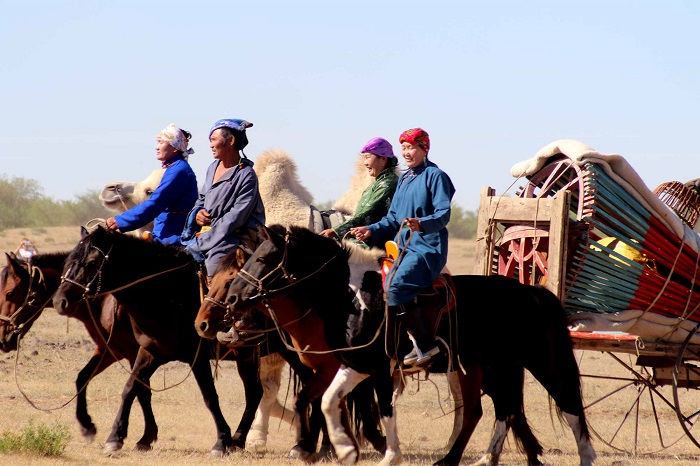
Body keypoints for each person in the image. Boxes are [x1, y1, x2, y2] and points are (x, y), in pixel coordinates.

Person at [350, 128, 455, 367]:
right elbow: (393, 218)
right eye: (404, 148)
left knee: (395, 286)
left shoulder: (436, 176)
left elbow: (443, 214)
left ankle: (425, 344)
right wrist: (371, 230)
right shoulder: (405, 179)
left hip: (427, 248)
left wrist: (422, 223)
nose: (407, 153)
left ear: (424, 149)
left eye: (412, 148)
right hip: (401, 247)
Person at [181, 118, 265, 278]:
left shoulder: (246, 174)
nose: (210, 145)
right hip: (208, 233)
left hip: (233, 236)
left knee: (215, 265)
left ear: (231, 141)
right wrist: (198, 213)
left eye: (213, 140)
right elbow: (202, 198)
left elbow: (235, 217)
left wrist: (206, 241)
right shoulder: (212, 167)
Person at [104, 124, 198, 245]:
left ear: (175, 148)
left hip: (173, 239)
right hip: (164, 236)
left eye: (161, 143)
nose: (157, 147)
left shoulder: (178, 171)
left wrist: (120, 221)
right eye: (157, 143)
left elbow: (156, 203)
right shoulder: (175, 169)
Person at [319, 137, 399, 247]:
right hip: (363, 235)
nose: (365, 163)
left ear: (383, 159)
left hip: (376, 240)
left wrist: (335, 231)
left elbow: (366, 214)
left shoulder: (388, 183)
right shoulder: (378, 183)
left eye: (368, 157)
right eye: (364, 158)